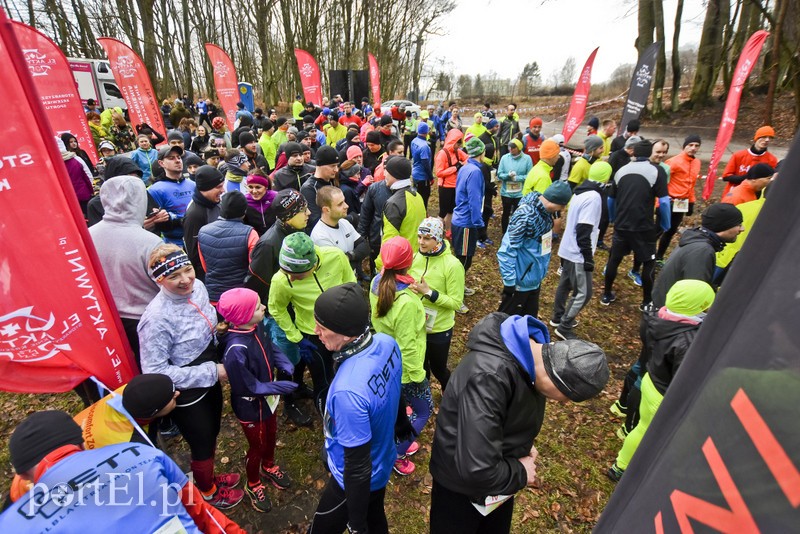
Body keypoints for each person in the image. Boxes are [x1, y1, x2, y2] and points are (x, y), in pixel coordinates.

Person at [429, 312, 609, 534]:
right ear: (555, 377)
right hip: (460, 488)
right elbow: (476, 469)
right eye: (565, 396)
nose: (562, 403)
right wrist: (521, 472)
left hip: (498, 482)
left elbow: (508, 412)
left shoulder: (533, 359)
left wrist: (522, 444)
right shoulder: (488, 376)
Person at [0, 411, 244, 532]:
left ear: (22, 478)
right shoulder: (143, 454)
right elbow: (201, 511)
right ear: (82, 442)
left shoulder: (12, 525)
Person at [138, 244, 244, 509]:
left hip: (209, 367)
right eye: (174, 276)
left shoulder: (198, 287)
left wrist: (217, 330)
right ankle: (207, 490)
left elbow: (205, 313)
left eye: (188, 270)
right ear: (159, 280)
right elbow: (155, 372)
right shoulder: (156, 319)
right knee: (202, 439)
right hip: (187, 388)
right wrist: (212, 372)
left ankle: (209, 477)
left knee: (214, 429)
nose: (185, 280)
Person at [307, 283, 401, 534]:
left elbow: (357, 469)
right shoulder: (386, 342)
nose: (316, 332)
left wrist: (356, 525)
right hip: (382, 460)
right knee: (375, 515)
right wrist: (401, 429)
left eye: (323, 328)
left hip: (352, 482)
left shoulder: (348, 392)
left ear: (347, 334)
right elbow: (394, 386)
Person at [607, 280, 715, 482]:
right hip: (662, 394)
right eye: (705, 306)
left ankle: (621, 463)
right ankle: (620, 468)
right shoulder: (686, 341)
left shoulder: (660, 317)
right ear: (694, 308)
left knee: (641, 427)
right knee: (649, 431)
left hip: (651, 379)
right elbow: (684, 377)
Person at [217, 288, 295, 512]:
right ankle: (253, 483)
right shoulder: (236, 349)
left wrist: (282, 360)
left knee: (271, 434)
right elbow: (247, 386)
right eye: (258, 307)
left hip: (268, 399)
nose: (263, 308)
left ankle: (269, 466)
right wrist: (279, 387)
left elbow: (269, 345)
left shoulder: (256, 325)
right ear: (242, 317)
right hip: (250, 406)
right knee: (256, 446)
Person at [268, 232, 356, 414]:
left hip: (344, 330)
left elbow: (351, 287)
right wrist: (297, 338)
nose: (290, 278)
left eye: (295, 274)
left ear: (312, 265)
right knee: (323, 381)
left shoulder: (336, 257)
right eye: (287, 273)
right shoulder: (281, 280)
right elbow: (276, 309)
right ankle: (330, 422)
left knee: (348, 374)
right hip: (314, 335)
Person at [246, 190, 313, 427]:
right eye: (301, 210)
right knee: (286, 359)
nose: (308, 213)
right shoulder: (269, 244)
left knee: (301, 353)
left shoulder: (298, 230)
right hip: (279, 313)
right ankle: (289, 400)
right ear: (286, 217)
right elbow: (255, 283)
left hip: (300, 309)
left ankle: (300, 386)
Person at [369, 237, 430, 476]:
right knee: (423, 410)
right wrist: (416, 376)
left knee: (398, 408)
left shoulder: (376, 283)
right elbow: (407, 346)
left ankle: (398, 435)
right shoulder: (405, 302)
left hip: (385, 362)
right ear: (408, 262)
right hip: (406, 369)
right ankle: (397, 453)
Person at [89, 175, 163, 369]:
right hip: (146, 318)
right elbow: (168, 284)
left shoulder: (88, 235)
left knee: (122, 367)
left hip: (107, 318)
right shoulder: (149, 241)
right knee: (150, 366)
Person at [602, 140, 670, 310]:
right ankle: (647, 301)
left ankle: (606, 294)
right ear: (649, 154)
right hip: (644, 226)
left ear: (633, 153)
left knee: (614, 259)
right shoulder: (657, 170)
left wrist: (613, 218)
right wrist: (665, 223)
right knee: (648, 263)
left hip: (622, 224)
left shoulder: (622, 170)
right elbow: (664, 202)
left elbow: (611, 199)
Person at [551, 162, 612, 340]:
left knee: (565, 285)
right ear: (606, 177)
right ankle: (564, 325)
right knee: (584, 293)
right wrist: (587, 257)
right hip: (578, 252)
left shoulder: (580, 191)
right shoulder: (593, 197)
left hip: (567, 248)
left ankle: (557, 316)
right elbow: (584, 229)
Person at [497, 181, 572, 318]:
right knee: (505, 322)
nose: (563, 209)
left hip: (533, 280)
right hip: (520, 283)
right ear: (558, 203)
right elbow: (507, 250)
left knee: (529, 321)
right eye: (563, 206)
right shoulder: (525, 216)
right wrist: (509, 283)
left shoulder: (545, 214)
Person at [651, 203, 744, 308]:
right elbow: (694, 297)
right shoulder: (702, 250)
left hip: (663, 309)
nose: (742, 229)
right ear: (725, 226)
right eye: (739, 225)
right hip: (669, 315)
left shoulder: (695, 240)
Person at [409, 218, 465, 390]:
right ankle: (424, 398)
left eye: (426, 238)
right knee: (421, 367)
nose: (421, 242)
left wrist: (429, 293)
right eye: (419, 236)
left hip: (439, 329)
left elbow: (456, 302)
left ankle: (449, 393)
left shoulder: (452, 265)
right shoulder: (415, 256)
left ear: (438, 239)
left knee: (438, 369)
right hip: (417, 325)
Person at [657, 135, 702, 263]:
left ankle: (659, 256)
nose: (693, 148)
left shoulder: (696, 163)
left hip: (682, 202)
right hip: (669, 200)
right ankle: (646, 256)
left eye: (696, 145)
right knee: (659, 229)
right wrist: (658, 202)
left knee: (671, 230)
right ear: (684, 146)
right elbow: (660, 182)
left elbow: (691, 184)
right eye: (690, 145)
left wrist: (691, 202)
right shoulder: (673, 162)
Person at [376, 155, 427, 270]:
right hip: (417, 260)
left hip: (400, 265)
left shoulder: (393, 203)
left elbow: (389, 240)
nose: (384, 175)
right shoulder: (417, 196)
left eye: (386, 172)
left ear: (395, 174)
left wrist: (380, 265)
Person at [451, 137, 486, 279]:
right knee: (464, 261)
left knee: (461, 257)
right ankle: (456, 292)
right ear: (481, 152)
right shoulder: (475, 172)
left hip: (459, 217)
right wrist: (479, 224)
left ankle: (458, 286)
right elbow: (474, 200)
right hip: (466, 222)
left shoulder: (465, 167)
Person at [310, 185, 369, 269]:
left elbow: (365, 246)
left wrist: (349, 256)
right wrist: (356, 257)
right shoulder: (320, 236)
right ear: (326, 210)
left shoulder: (344, 222)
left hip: (352, 278)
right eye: (340, 204)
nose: (346, 206)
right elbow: (338, 267)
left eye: (344, 201)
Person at [147, 145, 195, 246]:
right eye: (171, 158)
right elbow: (154, 222)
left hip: (197, 239)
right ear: (161, 163)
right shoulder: (155, 190)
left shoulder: (193, 184)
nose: (177, 161)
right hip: (175, 244)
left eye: (178, 157)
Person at [183, 165, 225, 280]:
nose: (223, 190)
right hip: (209, 276)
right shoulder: (194, 214)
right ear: (205, 188)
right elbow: (193, 254)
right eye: (218, 187)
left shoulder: (215, 203)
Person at [721, 125, 778, 198]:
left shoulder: (772, 159)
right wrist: (748, 178)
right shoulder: (738, 155)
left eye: (770, 138)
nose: (767, 140)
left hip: (755, 197)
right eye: (764, 137)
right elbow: (726, 177)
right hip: (733, 195)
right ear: (756, 138)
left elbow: (771, 181)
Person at [433, 128, 468, 234]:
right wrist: (455, 168)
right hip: (445, 187)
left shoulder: (458, 152)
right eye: (457, 144)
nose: (459, 146)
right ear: (452, 142)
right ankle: (436, 232)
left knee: (451, 210)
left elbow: (468, 158)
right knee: (443, 212)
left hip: (456, 185)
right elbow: (439, 173)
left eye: (460, 144)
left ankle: (448, 230)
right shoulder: (442, 154)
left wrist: (462, 164)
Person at [300, 145, 339, 232]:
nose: (336, 170)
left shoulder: (331, 181)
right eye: (332, 166)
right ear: (320, 165)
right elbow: (315, 220)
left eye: (337, 165)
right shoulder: (309, 188)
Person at [497, 138, 533, 233]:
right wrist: (507, 176)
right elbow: (499, 174)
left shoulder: (527, 159)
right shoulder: (505, 158)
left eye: (513, 148)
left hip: (519, 193)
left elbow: (529, 176)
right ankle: (504, 233)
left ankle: (516, 232)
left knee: (518, 214)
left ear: (519, 148)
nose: (511, 149)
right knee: (506, 213)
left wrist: (517, 178)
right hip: (506, 192)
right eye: (510, 147)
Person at [57, 136, 93, 216]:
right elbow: (87, 176)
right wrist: (91, 190)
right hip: (84, 194)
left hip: (68, 199)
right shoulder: (76, 160)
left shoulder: (53, 165)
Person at [410, 121, 434, 207]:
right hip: (422, 176)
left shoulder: (414, 141)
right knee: (424, 197)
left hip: (415, 172)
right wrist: (431, 177)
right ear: (426, 132)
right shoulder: (424, 146)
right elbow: (425, 163)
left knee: (416, 195)